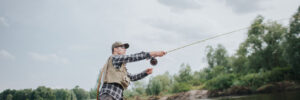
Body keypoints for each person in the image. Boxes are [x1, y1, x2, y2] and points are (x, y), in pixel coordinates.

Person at [97, 41, 166, 100]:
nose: (125, 49)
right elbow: (131, 57)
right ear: (115, 49)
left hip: (116, 97)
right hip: (108, 96)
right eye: (122, 47)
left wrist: (145, 73)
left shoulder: (121, 68)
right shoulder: (114, 58)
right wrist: (154, 53)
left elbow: (132, 77)